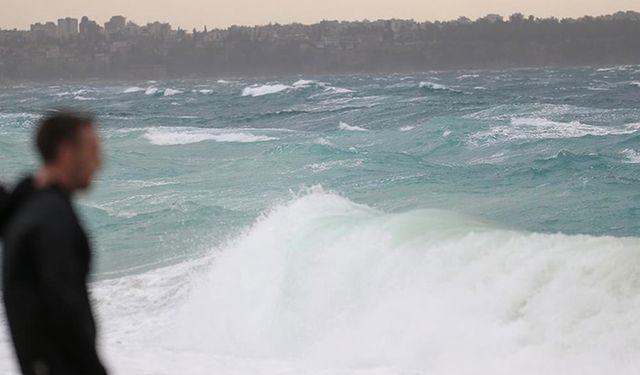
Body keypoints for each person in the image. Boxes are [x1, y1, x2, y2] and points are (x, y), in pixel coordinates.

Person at [1, 111, 108, 375]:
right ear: (66, 152)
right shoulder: (53, 220)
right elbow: (64, 312)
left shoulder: (25, 205)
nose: (99, 163)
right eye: (93, 150)